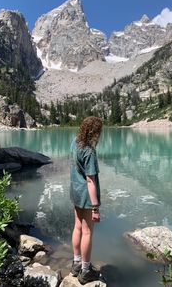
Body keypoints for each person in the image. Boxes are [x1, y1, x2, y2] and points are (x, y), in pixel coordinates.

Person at [70, 116, 103, 285]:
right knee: (87, 231)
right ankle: (86, 270)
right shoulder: (89, 151)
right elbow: (90, 180)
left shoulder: (74, 143)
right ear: (95, 132)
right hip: (86, 196)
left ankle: (76, 263)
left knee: (77, 227)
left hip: (75, 192)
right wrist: (95, 207)